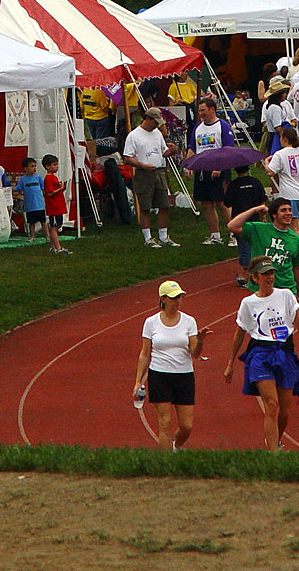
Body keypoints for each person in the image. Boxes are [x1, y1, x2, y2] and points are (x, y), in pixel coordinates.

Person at [224, 254, 299, 450]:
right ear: (255, 278)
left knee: (284, 411)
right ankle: (272, 454)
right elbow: (239, 335)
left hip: (284, 351)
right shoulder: (248, 304)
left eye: (271, 273)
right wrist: (230, 363)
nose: (269, 277)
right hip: (260, 353)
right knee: (272, 406)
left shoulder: (285, 295)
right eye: (264, 274)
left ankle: (276, 441)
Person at [134, 280, 209, 451]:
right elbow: (145, 353)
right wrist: (138, 381)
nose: (178, 301)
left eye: (180, 297)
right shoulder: (151, 323)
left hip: (184, 376)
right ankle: (164, 463)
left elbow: (195, 354)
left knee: (186, 425)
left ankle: (176, 446)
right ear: (163, 299)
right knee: (165, 423)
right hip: (159, 376)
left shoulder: (189, 322)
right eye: (174, 298)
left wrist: (201, 341)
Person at [123, 108, 180, 248]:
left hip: (159, 171)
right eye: (155, 122)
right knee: (145, 207)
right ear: (147, 119)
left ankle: (163, 236)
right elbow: (127, 158)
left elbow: (163, 152)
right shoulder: (134, 135)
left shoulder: (157, 134)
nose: (157, 125)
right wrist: (142, 165)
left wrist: (171, 151)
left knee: (164, 205)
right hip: (143, 173)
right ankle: (147, 238)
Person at [229, 198, 299, 303]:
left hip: (286, 289)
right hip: (262, 289)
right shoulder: (258, 230)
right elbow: (232, 226)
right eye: (283, 210)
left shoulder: (295, 239)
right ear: (274, 214)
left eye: (289, 210)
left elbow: (297, 268)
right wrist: (254, 210)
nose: (288, 213)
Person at [186, 97, 236, 246]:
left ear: (212, 109)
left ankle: (234, 234)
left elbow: (228, 149)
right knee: (206, 203)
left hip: (219, 169)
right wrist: (188, 165)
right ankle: (215, 235)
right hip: (202, 170)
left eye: (203, 110)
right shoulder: (197, 128)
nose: (200, 113)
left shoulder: (223, 126)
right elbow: (192, 148)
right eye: (199, 110)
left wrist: (220, 167)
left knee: (222, 203)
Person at [264, 128, 299, 247]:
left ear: (284, 139)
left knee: (294, 228)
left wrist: (266, 162)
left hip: (289, 194)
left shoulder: (280, 154)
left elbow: (270, 172)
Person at [223, 165, 266, 286]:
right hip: (255, 220)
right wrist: (263, 216)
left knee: (244, 247)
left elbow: (227, 203)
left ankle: (246, 274)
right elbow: (262, 199)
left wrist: (225, 189)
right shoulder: (256, 182)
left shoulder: (234, 185)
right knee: (255, 246)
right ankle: (256, 272)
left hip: (239, 221)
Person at [13, 156, 46, 239]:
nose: (34, 168)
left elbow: (43, 188)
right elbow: (17, 188)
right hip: (30, 205)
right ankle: (32, 236)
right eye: (32, 166)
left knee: (43, 221)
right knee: (31, 222)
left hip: (39, 204)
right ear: (25, 168)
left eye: (35, 166)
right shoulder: (23, 179)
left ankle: (47, 235)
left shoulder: (38, 177)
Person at [41, 154, 68, 255]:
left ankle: (53, 247)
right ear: (47, 166)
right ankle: (58, 247)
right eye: (54, 165)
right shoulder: (48, 178)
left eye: (57, 164)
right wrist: (60, 188)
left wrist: (61, 188)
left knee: (56, 225)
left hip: (58, 206)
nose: (56, 167)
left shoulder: (54, 178)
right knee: (54, 227)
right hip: (54, 207)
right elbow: (49, 193)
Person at [261, 79, 292, 155]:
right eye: (284, 93)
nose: (285, 95)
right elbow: (277, 127)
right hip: (275, 138)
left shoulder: (271, 106)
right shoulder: (275, 108)